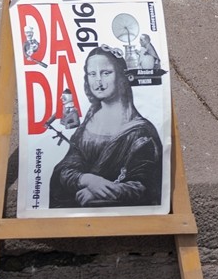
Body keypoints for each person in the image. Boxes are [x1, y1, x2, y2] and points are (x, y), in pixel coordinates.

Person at [49, 46, 162, 208]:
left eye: (106, 73)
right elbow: (66, 167)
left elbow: (146, 185)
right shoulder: (89, 121)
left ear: (122, 76)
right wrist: (88, 180)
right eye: (92, 74)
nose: (98, 82)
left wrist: (103, 191)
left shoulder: (142, 132)